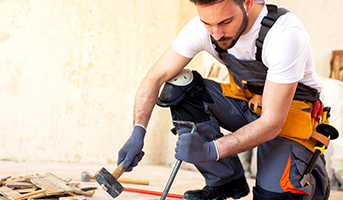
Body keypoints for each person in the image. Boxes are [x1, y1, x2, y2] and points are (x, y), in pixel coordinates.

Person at [117, 0, 330, 199]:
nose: (216, 34)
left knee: (275, 195)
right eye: (207, 24)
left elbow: (272, 122)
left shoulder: (285, 33)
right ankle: (225, 181)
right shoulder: (204, 28)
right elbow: (155, 76)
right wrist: (138, 130)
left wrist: (211, 150)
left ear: (248, 3)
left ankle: (309, 174)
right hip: (247, 106)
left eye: (225, 22)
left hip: (287, 120)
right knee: (179, 87)